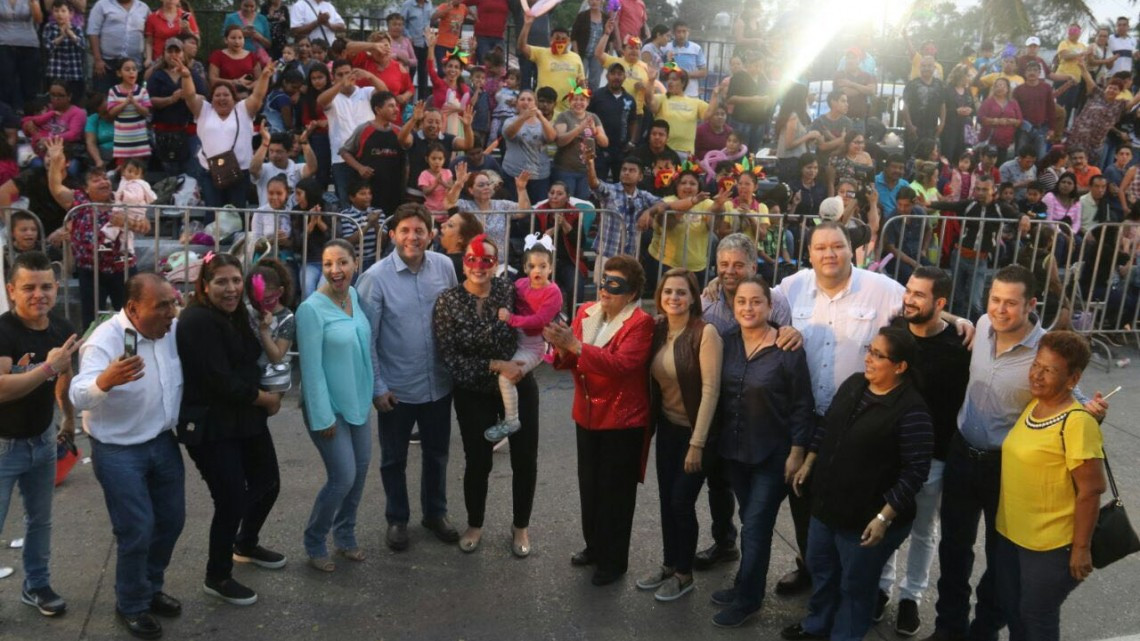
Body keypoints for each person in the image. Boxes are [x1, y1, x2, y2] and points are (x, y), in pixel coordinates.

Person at [925, 265, 1108, 641]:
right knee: (954, 549)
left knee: (1000, 561)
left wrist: (1094, 413)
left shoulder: (1044, 353)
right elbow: (963, 317)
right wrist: (955, 317)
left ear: (1031, 305)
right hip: (962, 454)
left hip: (1003, 468)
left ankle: (984, 630)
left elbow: (1073, 399)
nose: (1000, 310)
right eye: (995, 299)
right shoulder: (981, 324)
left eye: (1011, 303)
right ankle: (949, 628)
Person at [782, 327, 933, 641]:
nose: (868, 358)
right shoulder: (854, 384)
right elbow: (827, 425)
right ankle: (817, 626)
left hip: (866, 519)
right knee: (822, 571)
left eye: (878, 355)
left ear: (900, 366)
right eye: (870, 350)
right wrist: (809, 462)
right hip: (826, 506)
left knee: (855, 585)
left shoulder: (911, 410)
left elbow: (915, 472)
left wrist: (883, 518)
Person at [70, 273, 184, 640]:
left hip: (163, 442)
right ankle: (131, 603)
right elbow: (78, 395)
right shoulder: (104, 340)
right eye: (162, 306)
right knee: (136, 529)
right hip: (119, 451)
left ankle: (150, 587)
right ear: (134, 309)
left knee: (171, 521)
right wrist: (105, 380)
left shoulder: (170, 330)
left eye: (172, 303)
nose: (171, 312)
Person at [175, 253, 285, 607]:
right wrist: (265, 399)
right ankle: (217, 575)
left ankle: (246, 543)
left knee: (268, 482)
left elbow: (254, 357)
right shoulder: (196, 320)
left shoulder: (239, 314)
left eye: (236, 280)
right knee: (231, 498)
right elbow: (220, 380)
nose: (231, 288)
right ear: (204, 286)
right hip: (211, 424)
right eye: (221, 281)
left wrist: (264, 324)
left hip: (245, 417)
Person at [703, 273, 810, 625]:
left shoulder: (786, 347)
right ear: (733, 308)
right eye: (741, 302)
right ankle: (743, 585)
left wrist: (797, 450)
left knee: (756, 527)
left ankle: (749, 599)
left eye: (756, 301)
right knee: (750, 521)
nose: (748, 307)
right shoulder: (728, 341)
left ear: (769, 305)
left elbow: (801, 404)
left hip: (772, 454)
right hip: (734, 453)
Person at [357, 203, 460, 552]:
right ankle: (397, 519)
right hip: (395, 390)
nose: (412, 237)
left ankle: (435, 513)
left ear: (431, 234)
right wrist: (377, 387)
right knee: (393, 459)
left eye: (419, 230)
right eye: (405, 230)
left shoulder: (445, 267)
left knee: (437, 454)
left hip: (438, 384)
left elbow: (454, 317)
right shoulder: (374, 278)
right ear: (393, 235)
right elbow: (366, 338)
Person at [545, 255, 653, 586]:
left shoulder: (640, 323)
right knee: (589, 488)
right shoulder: (585, 312)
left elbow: (621, 365)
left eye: (615, 285)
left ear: (632, 293)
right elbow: (569, 360)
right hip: (587, 415)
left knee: (615, 495)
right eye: (604, 281)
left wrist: (574, 345)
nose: (606, 290)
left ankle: (614, 560)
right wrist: (560, 347)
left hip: (622, 421)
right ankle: (594, 547)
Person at [875, 268, 971, 636]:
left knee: (922, 529)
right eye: (909, 291)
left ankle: (910, 597)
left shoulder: (961, 346)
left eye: (919, 294)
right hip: (891, 452)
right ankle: (882, 589)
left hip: (935, 457)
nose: (909, 299)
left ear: (940, 303)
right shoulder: (896, 331)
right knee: (886, 520)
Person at [432, 234, 541, 555]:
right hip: (474, 391)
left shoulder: (510, 290)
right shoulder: (448, 300)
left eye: (487, 260)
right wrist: (497, 365)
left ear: (496, 264)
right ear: (463, 263)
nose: (479, 266)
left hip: (519, 385)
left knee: (525, 459)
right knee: (478, 461)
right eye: (472, 259)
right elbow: (449, 357)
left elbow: (540, 309)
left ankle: (520, 527)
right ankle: (475, 523)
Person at [995, 331, 1106, 641]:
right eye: (1036, 365)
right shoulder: (1035, 405)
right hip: (1012, 534)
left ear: (1073, 378)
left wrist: (1081, 549)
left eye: (1050, 370)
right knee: (1015, 611)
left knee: (1036, 616)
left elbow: (1092, 490)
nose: (1037, 375)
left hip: (1050, 546)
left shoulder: (1077, 423)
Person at [0, 251, 80, 618]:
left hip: (42, 441)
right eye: (29, 287)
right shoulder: (3, 330)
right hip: (3, 446)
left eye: (46, 286)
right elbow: (2, 388)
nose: (39, 294)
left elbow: (63, 381)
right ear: (11, 290)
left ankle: (36, 585)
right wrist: (49, 366)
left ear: (57, 287)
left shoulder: (61, 328)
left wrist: (67, 419)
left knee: (40, 520)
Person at [635, 269, 722, 603]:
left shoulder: (705, 333)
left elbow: (711, 391)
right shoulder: (658, 329)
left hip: (698, 434)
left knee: (681, 502)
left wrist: (697, 444)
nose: (674, 298)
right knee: (667, 503)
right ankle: (670, 564)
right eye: (668, 292)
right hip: (669, 429)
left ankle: (685, 574)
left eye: (681, 292)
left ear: (693, 297)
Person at [295, 239, 373, 572]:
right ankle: (315, 540)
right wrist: (322, 415)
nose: (335, 270)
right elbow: (310, 369)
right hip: (328, 409)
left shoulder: (353, 297)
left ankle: (345, 536)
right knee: (342, 477)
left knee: (358, 476)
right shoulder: (311, 309)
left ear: (355, 264)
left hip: (358, 402)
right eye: (327, 264)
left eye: (342, 262)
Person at [46, 136, 149, 330]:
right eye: (96, 180)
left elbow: (144, 226)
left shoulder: (124, 199)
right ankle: (92, 355)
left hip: (122, 269)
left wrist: (128, 221)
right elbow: (56, 188)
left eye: (105, 178)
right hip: (90, 270)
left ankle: (129, 354)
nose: (103, 182)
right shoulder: (79, 201)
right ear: (85, 188)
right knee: (92, 321)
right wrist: (54, 160)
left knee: (129, 318)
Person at [485, 238, 561, 441]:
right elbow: (505, 296)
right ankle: (499, 418)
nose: (538, 271)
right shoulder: (519, 284)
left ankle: (512, 421)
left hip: (533, 346)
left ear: (551, 268)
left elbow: (539, 320)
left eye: (543, 266)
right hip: (514, 339)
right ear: (526, 268)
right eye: (533, 266)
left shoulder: (553, 292)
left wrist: (511, 319)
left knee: (505, 377)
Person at [179, 59, 273, 209]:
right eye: (217, 95)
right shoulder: (204, 110)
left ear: (234, 98)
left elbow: (258, 95)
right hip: (210, 172)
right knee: (213, 213)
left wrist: (265, 76)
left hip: (239, 172)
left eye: (226, 95)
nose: (222, 98)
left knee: (236, 214)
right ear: (212, 98)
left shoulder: (243, 110)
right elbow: (190, 96)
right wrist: (186, 76)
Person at [148, 38, 207, 176]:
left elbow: (204, 96)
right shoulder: (157, 75)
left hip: (190, 130)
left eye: (177, 51)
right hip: (166, 132)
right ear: (164, 54)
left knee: (194, 170)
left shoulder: (192, 74)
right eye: (170, 51)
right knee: (171, 172)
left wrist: (190, 96)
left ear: (183, 54)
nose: (173, 54)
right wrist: (170, 99)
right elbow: (150, 100)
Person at [445, 162, 530, 259]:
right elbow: (449, 202)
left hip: (499, 262)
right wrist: (459, 184)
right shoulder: (466, 206)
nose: (486, 187)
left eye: (488, 184)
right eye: (481, 185)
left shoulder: (501, 205)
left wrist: (521, 189)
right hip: (474, 261)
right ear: (471, 190)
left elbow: (523, 211)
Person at [646, 66, 719, 161]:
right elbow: (649, 101)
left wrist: (715, 95)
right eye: (669, 79)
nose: (670, 82)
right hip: (664, 150)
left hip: (686, 153)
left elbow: (709, 113)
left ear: (683, 83)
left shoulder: (695, 102)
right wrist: (651, 81)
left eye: (674, 79)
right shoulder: (662, 98)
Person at [517, 16, 584, 116]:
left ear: (569, 40)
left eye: (563, 39)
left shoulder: (576, 58)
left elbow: (581, 84)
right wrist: (527, 25)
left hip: (566, 112)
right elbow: (521, 47)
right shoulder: (541, 53)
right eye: (557, 38)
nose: (560, 41)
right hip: (542, 109)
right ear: (550, 39)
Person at [554, 83, 608, 200]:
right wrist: (580, 128)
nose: (578, 102)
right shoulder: (564, 116)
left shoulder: (593, 117)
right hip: (565, 170)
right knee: (566, 203)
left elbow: (605, 143)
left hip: (586, 171)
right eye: (575, 99)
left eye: (582, 100)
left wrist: (595, 131)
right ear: (570, 101)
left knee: (582, 204)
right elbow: (560, 141)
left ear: (588, 103)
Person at [500, 89, 556, 203]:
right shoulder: (509, 121)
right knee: (516, 211)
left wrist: (540, 117)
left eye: (530, 99)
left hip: (539, 176)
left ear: (535, 103)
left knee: (538, 212)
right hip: (514, 175)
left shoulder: (543, 122)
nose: (526, 102)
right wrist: (523, 117)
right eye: (522, 99)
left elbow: (551, 138)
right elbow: (509, 134)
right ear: (517, 103)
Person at [88, 0, 149, 93]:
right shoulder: (102, 5)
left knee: (133, 99)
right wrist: (97, 59)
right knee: (103, 99)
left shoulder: (143, 7)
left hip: (135, 64)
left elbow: (151, 34)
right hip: (106, 64)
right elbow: (93, 32)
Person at [250, 129, 318, 209]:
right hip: (267, 217)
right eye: (271, 151)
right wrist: (264, 144)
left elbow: (312, 168)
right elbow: (253, 169)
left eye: (279, 151)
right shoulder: (264, 168)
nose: (274, 155)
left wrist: (305, 143)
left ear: (288, 151)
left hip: (291, 218)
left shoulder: (296, 168)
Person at [44, 0, 89, 104]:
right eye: (56, 11)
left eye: (63, 11)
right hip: (56, 72)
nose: (60, 14)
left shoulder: (77, 28)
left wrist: (70, 34)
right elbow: (48, 47)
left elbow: (82, 46)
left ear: (71, 13)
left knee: (75, 102)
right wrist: (62, 36)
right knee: (56, 102)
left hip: (74, 73)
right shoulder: (49, 28)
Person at [0, 0, 42, 112]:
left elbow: (39, 19)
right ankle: (7, 120)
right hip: (4, 43)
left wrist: (33, 3)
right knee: (5, 84)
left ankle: (30, 118)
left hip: (29, 44)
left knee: (29, 86)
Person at [107, 59, 152, 162]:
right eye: (127, 69)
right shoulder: (113, 91)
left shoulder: (142, 91)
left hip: (139, 138)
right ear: (119, 73)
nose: (131, 72)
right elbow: (111, 112)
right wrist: (125, 103)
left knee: (138, 169)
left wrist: (135, 103)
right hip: (122, 138)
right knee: (123, 169)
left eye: (134, 69)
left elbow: (146, 112)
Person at [209, 25, 262, 98]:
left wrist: (246, 88)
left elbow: (259, 80)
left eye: (240, 38)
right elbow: (213, 80)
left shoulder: (252, 56)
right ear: (225, 40)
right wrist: (234, 83)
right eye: (233, 38)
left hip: (248, 97)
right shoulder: (218, 55)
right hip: (224, 96)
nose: (237, 42)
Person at [144, 0, 196, 66]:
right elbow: (149, 42)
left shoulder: (185, 16)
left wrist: (188, 30)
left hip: (181, 60)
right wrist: (148, 58)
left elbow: (196, 40)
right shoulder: (152, 17)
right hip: (159, 60)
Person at [437, 210, 484, 281]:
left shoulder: (456, 263)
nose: (442, 225)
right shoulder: (444, 252)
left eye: (450, 225)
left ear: (461, 238)